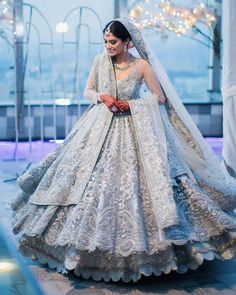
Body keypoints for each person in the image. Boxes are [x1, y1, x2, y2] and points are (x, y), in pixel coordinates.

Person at [12, 18, 236, 283]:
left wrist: (132, 106)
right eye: (105, 41)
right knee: (80, 179)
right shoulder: (100, 62)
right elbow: (88, 89)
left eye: (113, 42)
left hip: (135, 129)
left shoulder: (141, 66)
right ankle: (79, 250)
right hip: (99, 125)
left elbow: (160, 98)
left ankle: (159, 253)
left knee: (141, 185)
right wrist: (101, 97)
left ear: (128, 42)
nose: (108, 46)